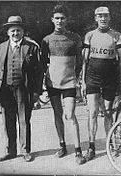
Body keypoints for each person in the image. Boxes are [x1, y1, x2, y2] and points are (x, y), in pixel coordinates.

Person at [40, 5, 86, 165]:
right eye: (57, 18)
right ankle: (62, 145)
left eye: (62, 18)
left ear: (67, 19)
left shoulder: (75, 38)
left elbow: (80, 62)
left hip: (69, 83)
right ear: (52, 20)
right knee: (57, 114)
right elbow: (44, 63)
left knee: (70, 115)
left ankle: (78, 151)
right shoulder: (46, 40)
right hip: (52, 83)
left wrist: (78, 79)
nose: (60, 21)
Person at [0, 16, 43, 162]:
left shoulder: (32, 47)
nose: (15, 33)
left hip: (24, 89)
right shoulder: (0, 48)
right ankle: (11, 150)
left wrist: (36, 92)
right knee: (8, 121)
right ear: (8, 32)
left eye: (18, 30)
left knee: (24, 120)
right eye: (12, 31)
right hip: (6, 90)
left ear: (23, 31)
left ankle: (25, 150)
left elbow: (39, 72)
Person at [82, 6, 121, 161]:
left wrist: (119, 80)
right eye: (100, 16)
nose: (103, 19)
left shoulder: (116, 35)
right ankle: (91, 147)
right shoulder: (90, 35)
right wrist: (83, 81)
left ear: (109, 17)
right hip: (92, 77)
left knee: (108, 111)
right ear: (95, 18)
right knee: (92, 112)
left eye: (105, 16)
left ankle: (109, 144)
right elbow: (85, 60)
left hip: (110, 78)